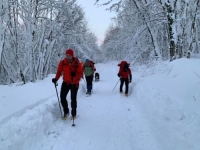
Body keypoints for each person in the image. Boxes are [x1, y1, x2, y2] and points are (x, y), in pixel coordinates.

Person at [52, 49, 83, 120]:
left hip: (74, 83)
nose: (68, 57)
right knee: (62, 98)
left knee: (73, 99)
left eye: (69, 55)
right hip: (65, 82)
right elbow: (59, 72)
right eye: (66, 55)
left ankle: (73, 114)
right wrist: (56, 79)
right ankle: (66, 112)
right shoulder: (62, 62)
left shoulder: (77, 63)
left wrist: (75, 75)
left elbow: (81, 74)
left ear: (72, 55)